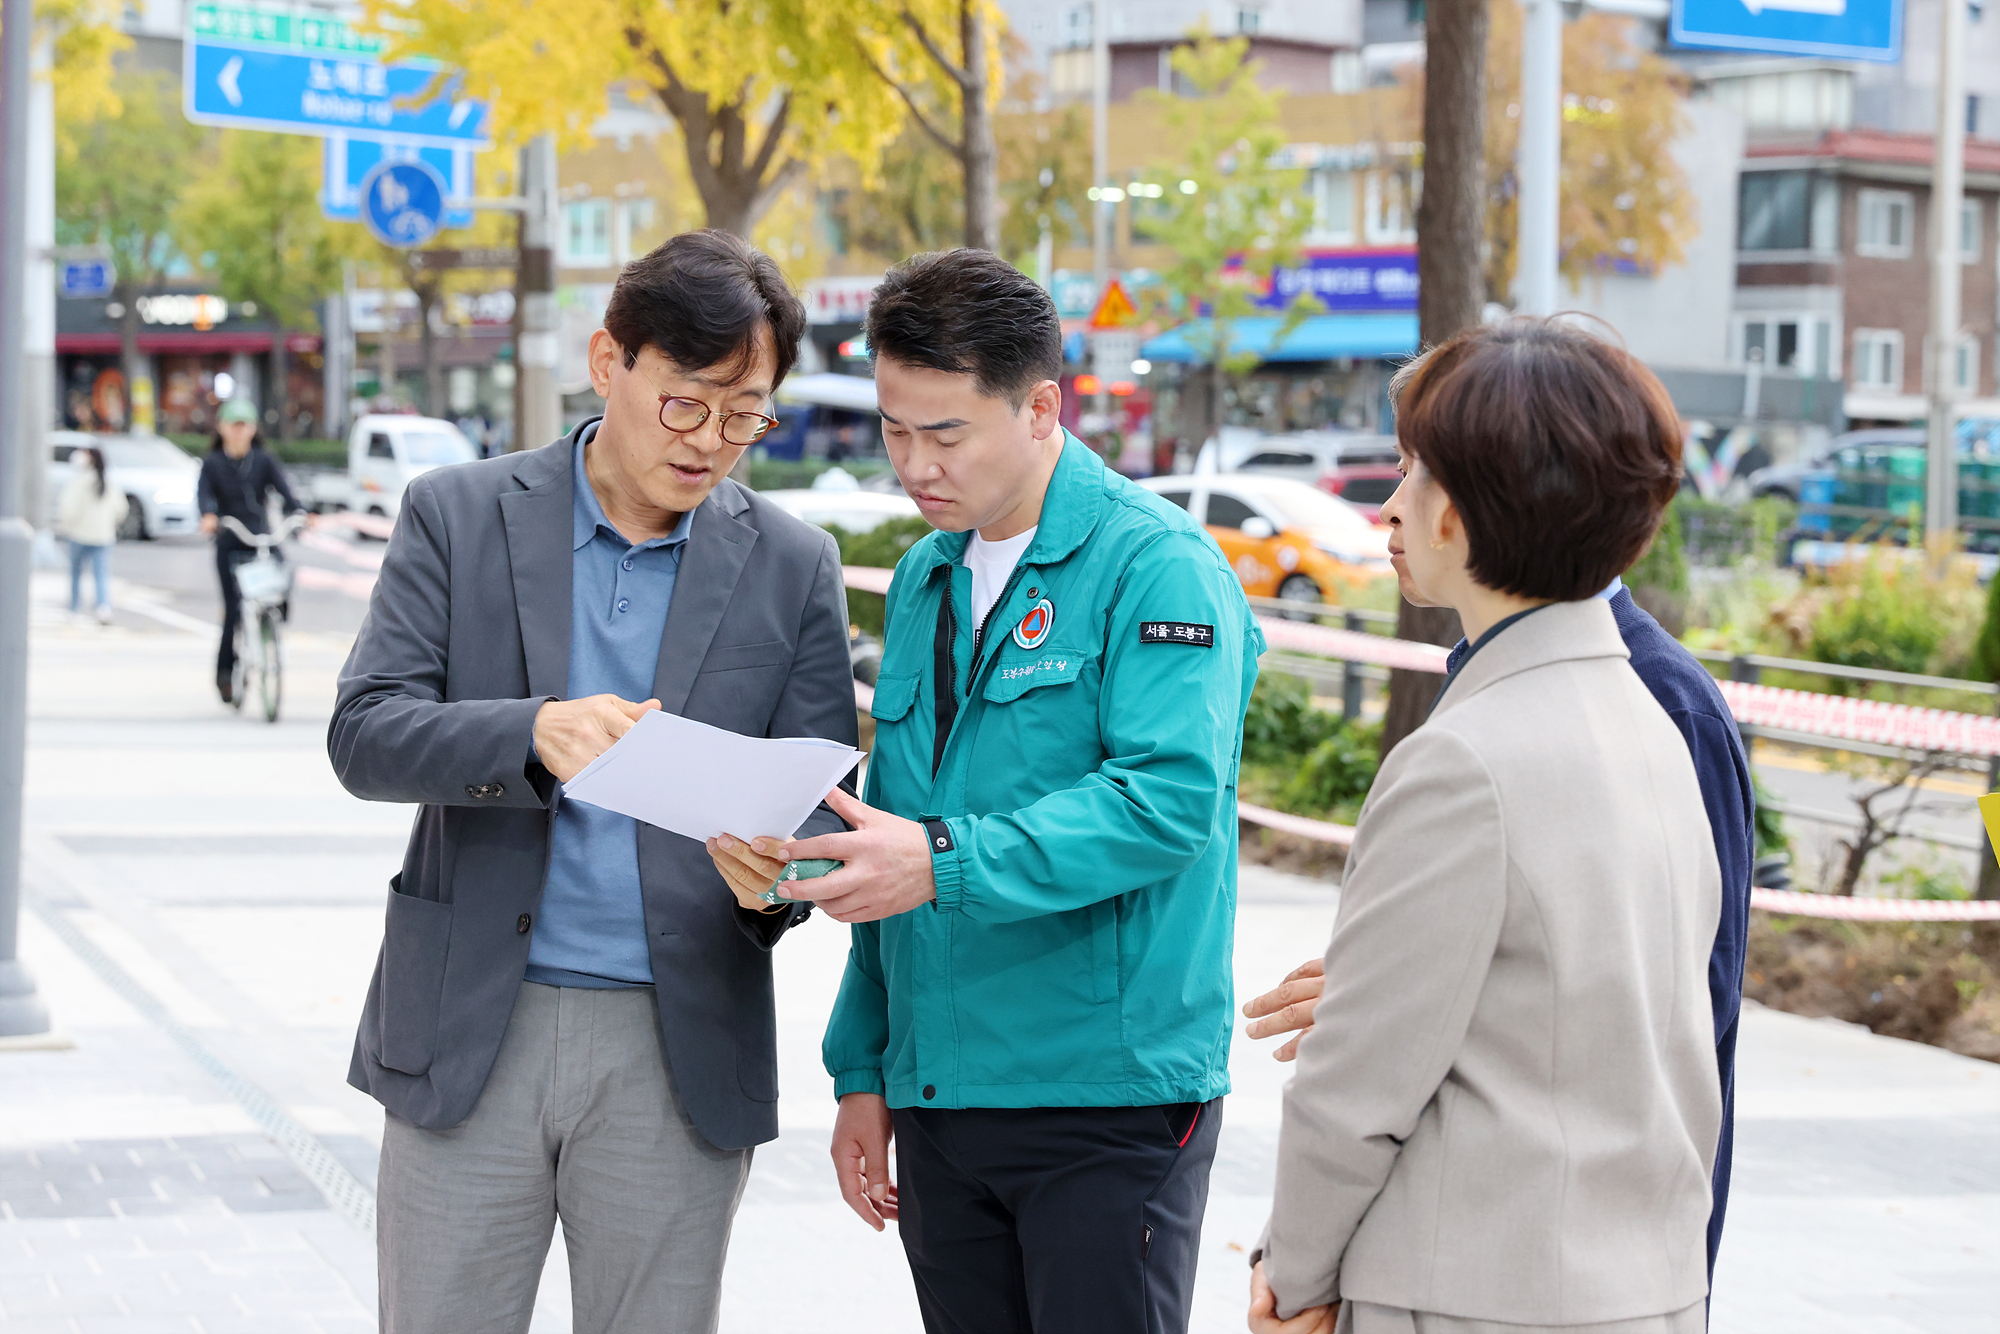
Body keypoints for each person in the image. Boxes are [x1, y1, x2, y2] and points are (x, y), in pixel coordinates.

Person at [709, 249, 1262, 1334]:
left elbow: (1163, 803)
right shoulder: (926, 577)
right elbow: (890, 832)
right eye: (893, 428)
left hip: (1105, 1098)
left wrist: (942, 861)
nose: (914, 463)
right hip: (944, 1095)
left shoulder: (1156, 567)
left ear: (1041, 406)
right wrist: (862, 1066)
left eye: (945, 432)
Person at [327, 229, 857, 1334]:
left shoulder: (790, 562)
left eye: (746, 412)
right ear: (608, 359)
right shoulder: (458, 513)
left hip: (678, 1041)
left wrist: (781, 871)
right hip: (474, 1019)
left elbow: (819, 794)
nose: (713, 440)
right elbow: (365, 734)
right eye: (688, 401)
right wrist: (531, 731)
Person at [1247, 318, 1721, 1334]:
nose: (1390, 502)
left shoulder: (1461, 760)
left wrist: (1289, 1273)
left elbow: (1355, 1087)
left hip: (1470, 1289)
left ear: (1462, 512)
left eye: (1413, 472)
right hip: (1639, 1279)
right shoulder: (1653, 719)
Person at [197, 398, 308, 703]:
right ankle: (225, 673)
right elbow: (204, 496)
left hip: (259, 535)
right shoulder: (213, 463)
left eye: (244, 425)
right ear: (221, 428)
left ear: (253, 429)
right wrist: (209, 516)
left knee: (283, 571)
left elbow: (285, 492)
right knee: (232, 610)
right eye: (233, 425)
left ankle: (274, 618)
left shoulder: (264, 460)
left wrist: (298, 513)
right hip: (230, 538)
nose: (238, 432)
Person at [57, 444, 127, 624]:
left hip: (79, 534)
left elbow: (69, 508)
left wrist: (66, 525)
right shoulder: (108, 481)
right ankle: (103, 608)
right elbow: (121, 509)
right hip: (103, 535)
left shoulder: (79, 481)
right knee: (101, 574)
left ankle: (73, 608)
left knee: (75, 574)